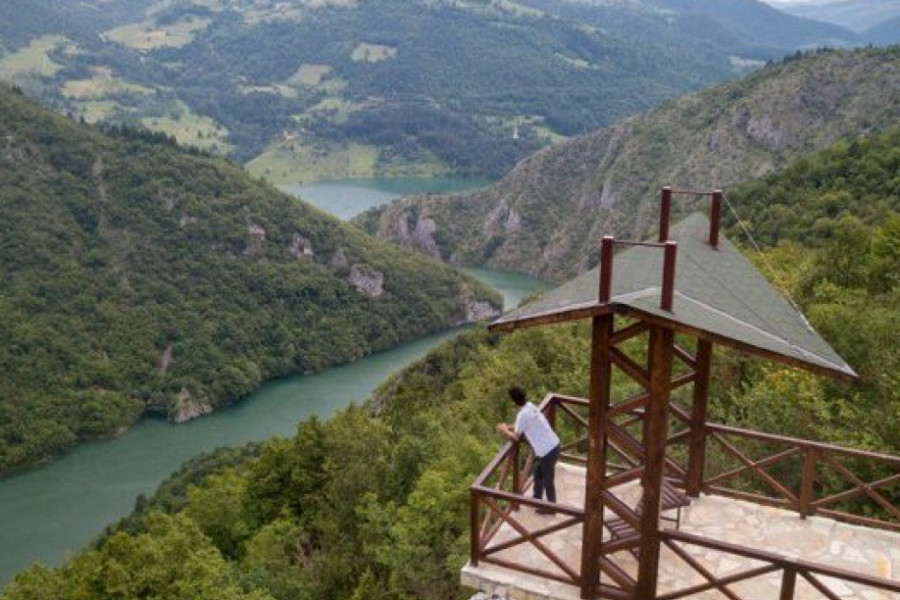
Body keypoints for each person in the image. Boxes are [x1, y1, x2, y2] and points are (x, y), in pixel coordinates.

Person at [496, 386, 560, 513]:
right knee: (538, 474)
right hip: (554, 444)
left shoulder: (521, 415)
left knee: (548, 480)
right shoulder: (530, 406)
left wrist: (504, 430)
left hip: (547, 450)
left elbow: (516, 437)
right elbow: (522, 426)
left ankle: (551, 508)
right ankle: (536, 498)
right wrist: (508, 427)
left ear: (513, 402)